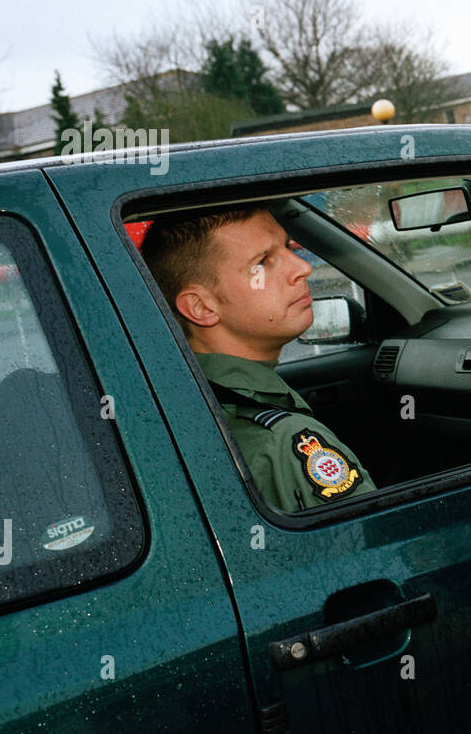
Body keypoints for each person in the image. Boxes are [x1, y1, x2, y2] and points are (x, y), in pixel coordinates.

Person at [141, 206, 374, 511]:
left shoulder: (173, 401)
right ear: (202, 307)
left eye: (289, 248)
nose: (303, 267)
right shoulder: (283, 443)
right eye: (263, 261)